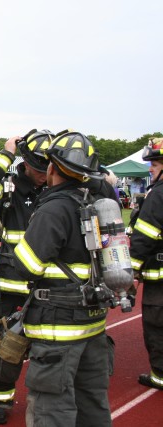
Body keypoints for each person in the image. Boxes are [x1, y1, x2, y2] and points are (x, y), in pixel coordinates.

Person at [14, 130, 113, 426]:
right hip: (93, 323)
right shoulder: (95, 202)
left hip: (58, 327)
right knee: (92, 404)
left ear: (52, 168)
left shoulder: (54, 208)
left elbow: (27, 267)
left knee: (52, 409)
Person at [0, 130, 52, 424]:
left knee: (50, 348)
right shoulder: (8, 187)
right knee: (6, 347)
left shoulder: (57, 186)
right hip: (13, 287)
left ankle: (46, 400)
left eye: (48, 169)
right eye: (38, 169)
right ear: (25, 162)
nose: (44, 175)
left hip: (49, 286)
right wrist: (7, 152)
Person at [131, 137, 163, 391]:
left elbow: (145, 236)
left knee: (157, 325)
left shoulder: (159, 194)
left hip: (159, 281)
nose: (150, 168)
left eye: (154, 163)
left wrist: (131, 270)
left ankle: (160, 376)